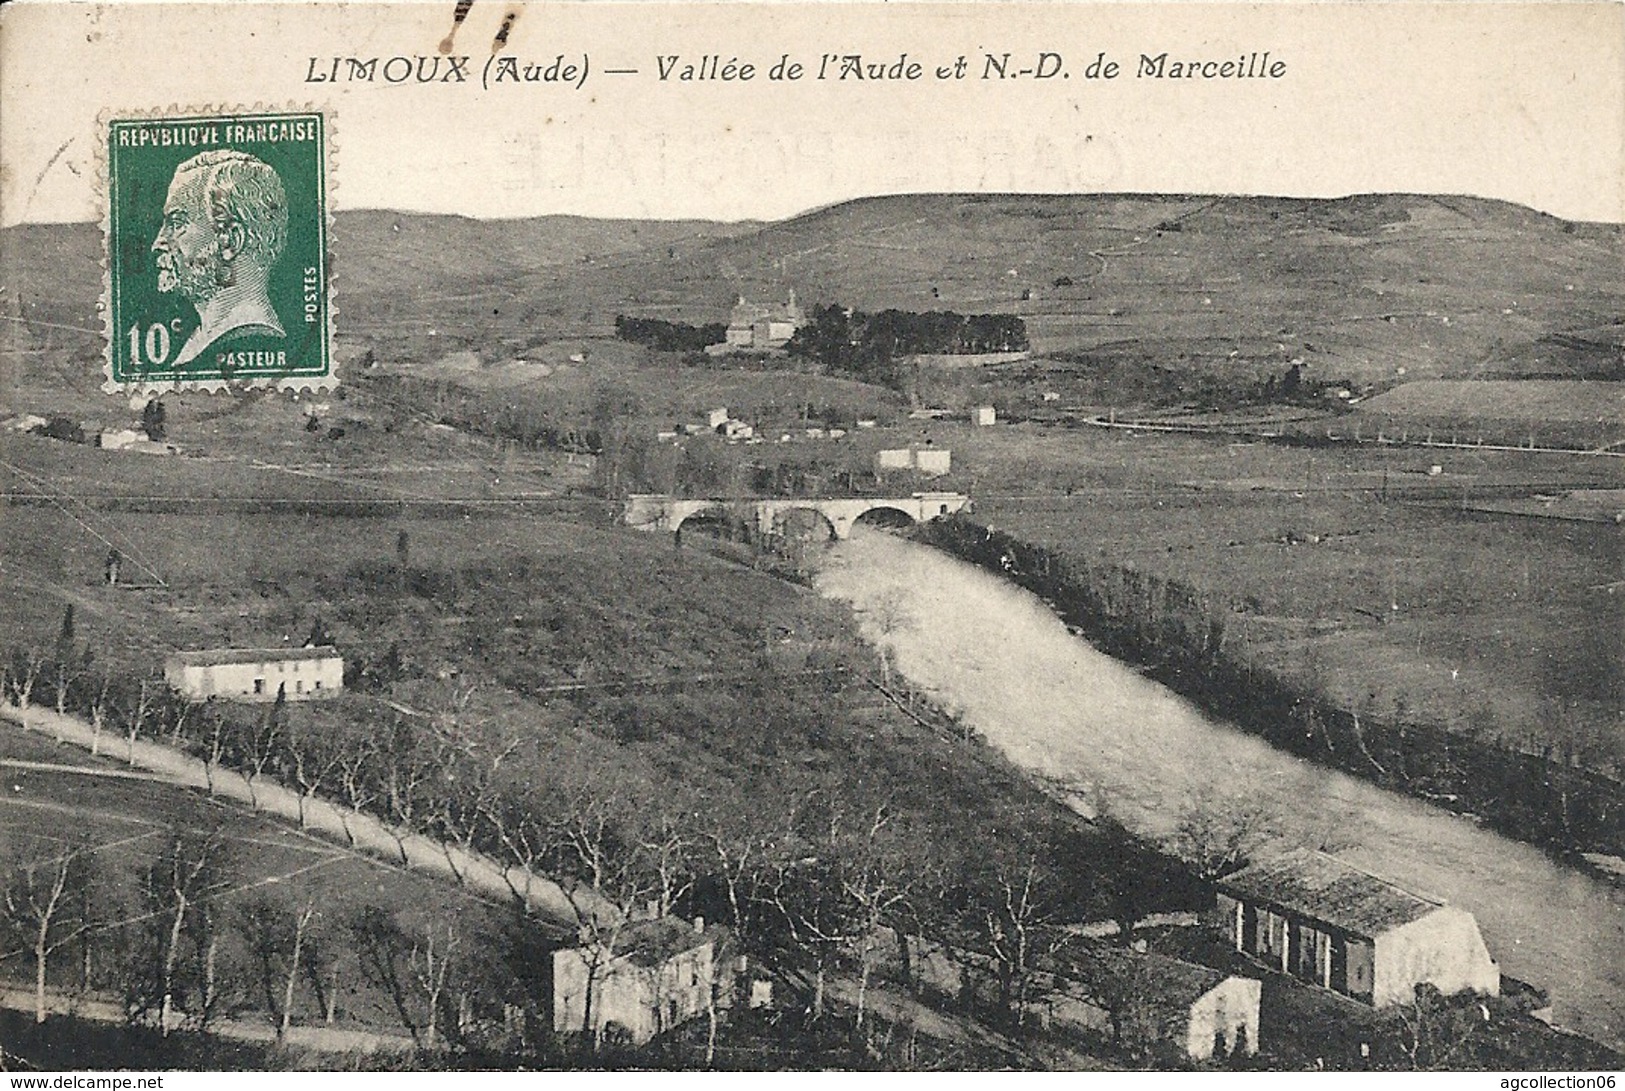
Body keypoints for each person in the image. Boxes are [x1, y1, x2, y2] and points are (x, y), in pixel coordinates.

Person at [149, 149, 289, 366]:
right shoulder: (200, 341)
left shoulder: (248, 336)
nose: (158, 243)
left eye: (177, 224)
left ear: (230, 240)